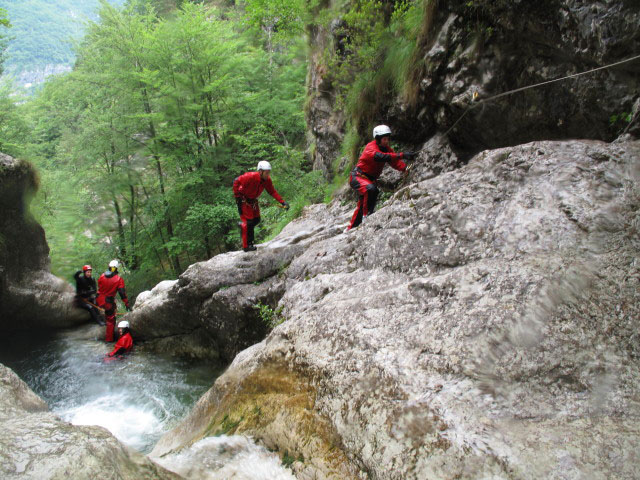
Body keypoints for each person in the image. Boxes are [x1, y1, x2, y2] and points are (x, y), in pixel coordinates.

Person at [346, 125, 416, 231]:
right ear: (378, 139)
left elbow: (394, 162)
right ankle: (367, 217)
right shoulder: (371, 147)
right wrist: (402, 155)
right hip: (357, 177)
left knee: (366, 199)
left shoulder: (387, 149)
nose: (386, 141)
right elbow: (379, 156)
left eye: (388, 139)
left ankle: (352, 227)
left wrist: (405, 168)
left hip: (368, 179)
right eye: (384, 139)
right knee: (371, 190)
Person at [233, 161, 289, 252]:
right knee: (249, 223)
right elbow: (236, 181)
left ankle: (244, 228)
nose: (268, 175)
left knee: (256, 219)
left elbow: (272, 192)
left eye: (268, 172)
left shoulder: (267, 180)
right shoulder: (250, 176)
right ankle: (246, 246)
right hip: (243, 201)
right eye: (266, 173)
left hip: (253, 201)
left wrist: (283, 202)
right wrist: (237, 197)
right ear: (260, 172)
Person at [96, 260, 131, 342]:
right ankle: (109, 339)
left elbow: (100, 287)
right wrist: (126, 304)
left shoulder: (101, 276)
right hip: (108, 302)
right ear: (116, 268)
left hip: (99, 299)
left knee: (106, 313)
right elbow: (122, 293)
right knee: (111, 320)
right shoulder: (118, 279)